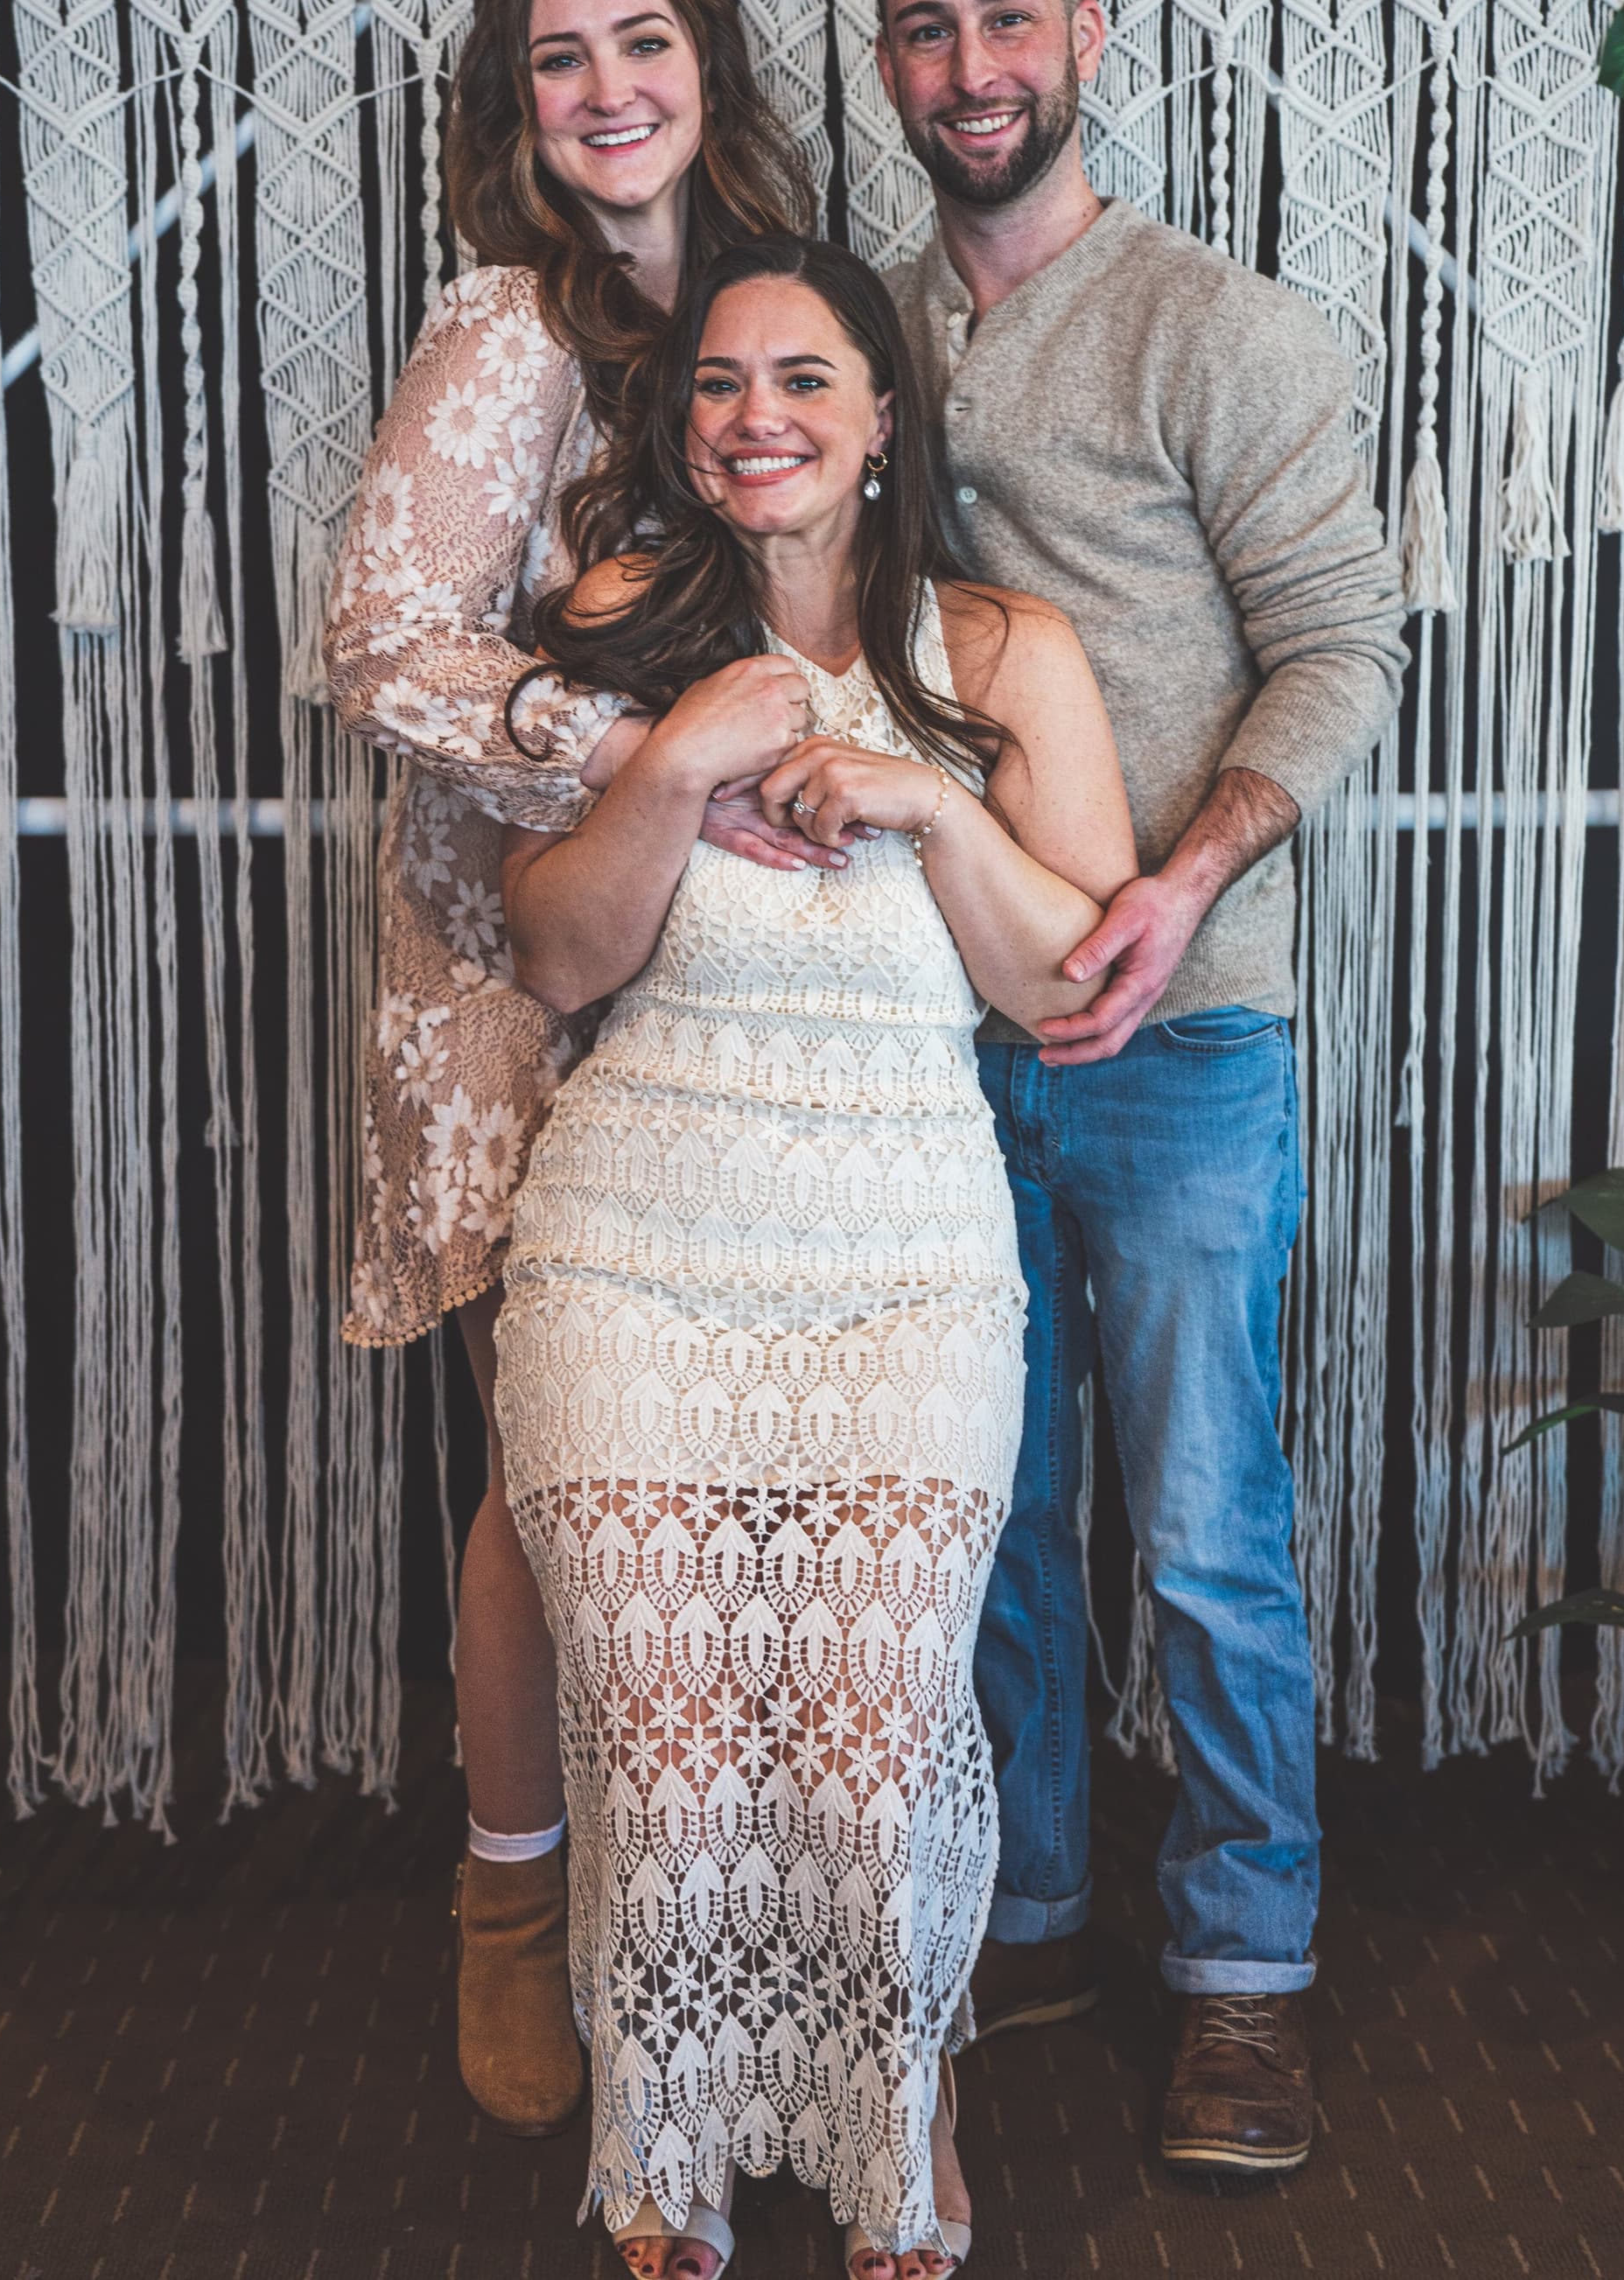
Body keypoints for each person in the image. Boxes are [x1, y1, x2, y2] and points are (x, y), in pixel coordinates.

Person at [492, 235, 1137, 2280]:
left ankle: (903, 2104)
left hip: (901, 1257)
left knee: (867, 1736)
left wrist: (928, 810)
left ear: (879, 419)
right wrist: (677, 761)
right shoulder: (616, 622)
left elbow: (1072, 985)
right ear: (681, 432)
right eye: (715, 384)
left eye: (801, 379)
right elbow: (558, 950)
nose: (751, 413)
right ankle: (659, 2133)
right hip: (635, 1243)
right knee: (667, 1730)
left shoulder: (1001, 650)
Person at [871, 0, 1409, 2177]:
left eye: (1009, 18)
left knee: (1201, 1520)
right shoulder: (867, 328)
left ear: (1090, 38)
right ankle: (1039, 1909)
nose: (970, 66)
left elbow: (1342, 650)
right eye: (924, 28)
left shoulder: (1225, 328)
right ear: (886, 63)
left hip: (1184, 1022)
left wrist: (1185, 885)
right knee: (991, 1503)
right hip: (939, 1016)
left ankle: (1248, 1973)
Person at [324, 0, 822, 2141]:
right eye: (558, 57)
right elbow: (379, 635)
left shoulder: (746, 309)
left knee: (716, 1471)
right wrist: (624, 754)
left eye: (643, 40)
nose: (609, 86)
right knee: (553, 1467)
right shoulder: (509, 326)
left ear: (709, 63)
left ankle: (693, 1900)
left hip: (734, 975)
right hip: (527, 976)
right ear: (514, 109)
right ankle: (508, 1907)